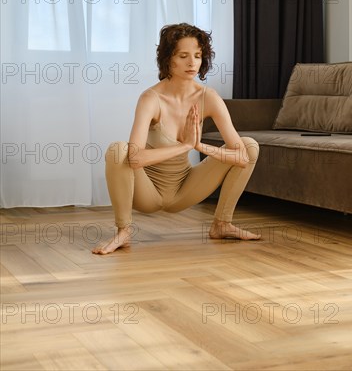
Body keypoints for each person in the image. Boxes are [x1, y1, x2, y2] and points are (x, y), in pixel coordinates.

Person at [93, 23, 261, 254]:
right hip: (148, 193)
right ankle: (123, 231)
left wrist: (199, 146)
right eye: (183, 56)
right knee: (117, 150)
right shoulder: (151, 98)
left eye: (198, 55)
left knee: (249, 145)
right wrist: (184, 145)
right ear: (168, 59)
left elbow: (242, 157)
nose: (192, 63)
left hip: (185, 189)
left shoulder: (208, 97)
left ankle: (222, 224)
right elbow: (134, 159)